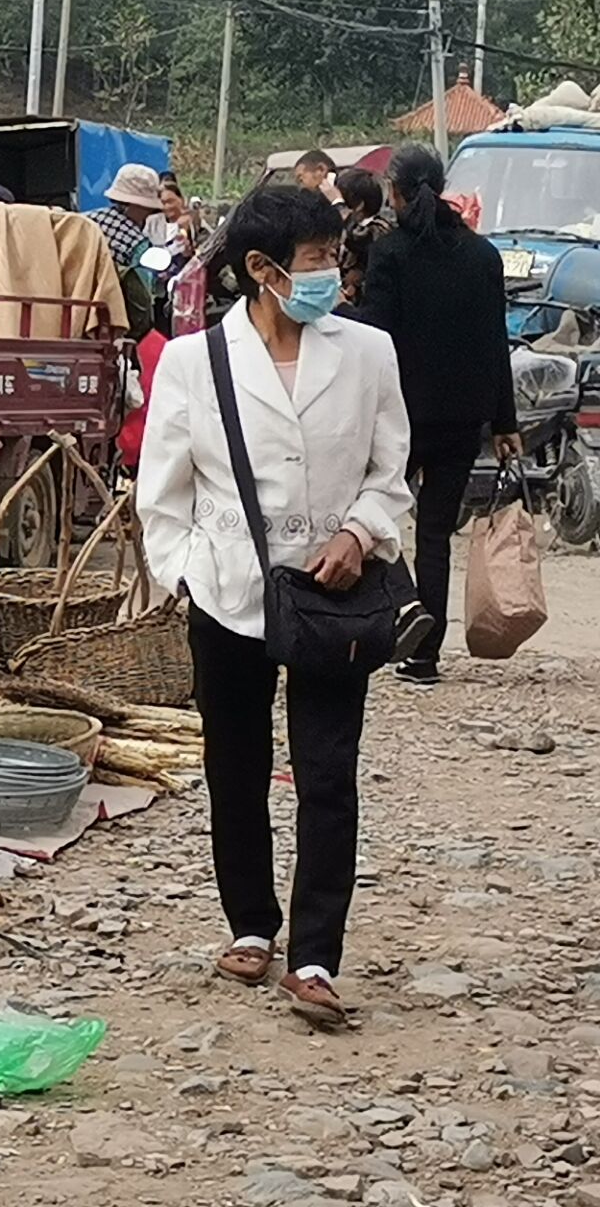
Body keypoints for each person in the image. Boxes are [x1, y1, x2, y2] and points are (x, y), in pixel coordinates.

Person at [138, 185, 414, 1025]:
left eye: (337, 255)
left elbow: (390, 474)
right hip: (227, 594)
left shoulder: (368, 354)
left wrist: (361, 536)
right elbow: (163, 489)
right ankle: (251, 925)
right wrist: (185, 570)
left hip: (335, 601)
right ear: (260, 271)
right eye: (318, 259)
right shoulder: (195, 362)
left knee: (328, 775)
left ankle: (316, 955)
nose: (335, 272)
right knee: (237, 768)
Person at [359, 144, 521, 686]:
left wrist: (340, 310)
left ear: (398, 194)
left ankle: (400, 609)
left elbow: (375, 332)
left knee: (368, 516)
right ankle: (425, 656)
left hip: (400, 414)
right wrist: (505, 423)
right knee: (434, 533)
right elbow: (495, 342)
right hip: (463, 417)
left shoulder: (392, 253)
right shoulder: (483, 256)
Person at [86, 163, 164, 340]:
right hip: (108, 324)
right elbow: (142, 300)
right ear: (138, 205)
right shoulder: (137, 243)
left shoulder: (86, 221)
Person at [334, 167, 389, 310]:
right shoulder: (346, 228)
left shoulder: (379, 227)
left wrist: (339, 207)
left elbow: (357, 239)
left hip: (370, 304)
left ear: (359, 204)